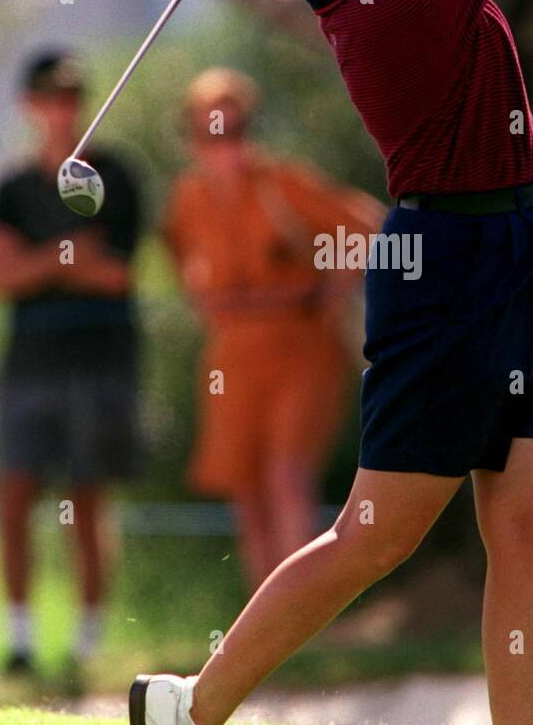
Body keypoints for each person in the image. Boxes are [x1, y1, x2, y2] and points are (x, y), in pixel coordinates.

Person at [129, 0, 533, 725]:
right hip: (450, 270)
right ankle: (190, 710)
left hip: (531, 247)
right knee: (376, 535)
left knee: (525, 532)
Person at [163, 65, 383, 588]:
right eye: (209, 131)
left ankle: (304, 607)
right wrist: (200, 294)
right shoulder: (188, 197)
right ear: (191, 135)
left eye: (233, 129)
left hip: (301, 346)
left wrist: (333, 288)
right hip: (230, 354)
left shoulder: (280, 181)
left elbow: (367, 226)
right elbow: (178, 252)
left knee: (287, 474)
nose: (223, 144)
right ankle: (263, 615)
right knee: (245, 486)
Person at [0, 50, 142, 679]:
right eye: (52, 97)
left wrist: (37, 264)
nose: (63, 110)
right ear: (30, 104)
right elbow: (0, 277)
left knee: (87, 498)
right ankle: (20, 639)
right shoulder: (13, 187)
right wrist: (63, 256)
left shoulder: (117, 176)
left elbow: (116, 275)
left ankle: (89, 640)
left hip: (102, 358)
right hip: (30, 360)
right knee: (14, 495)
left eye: (73, 97)